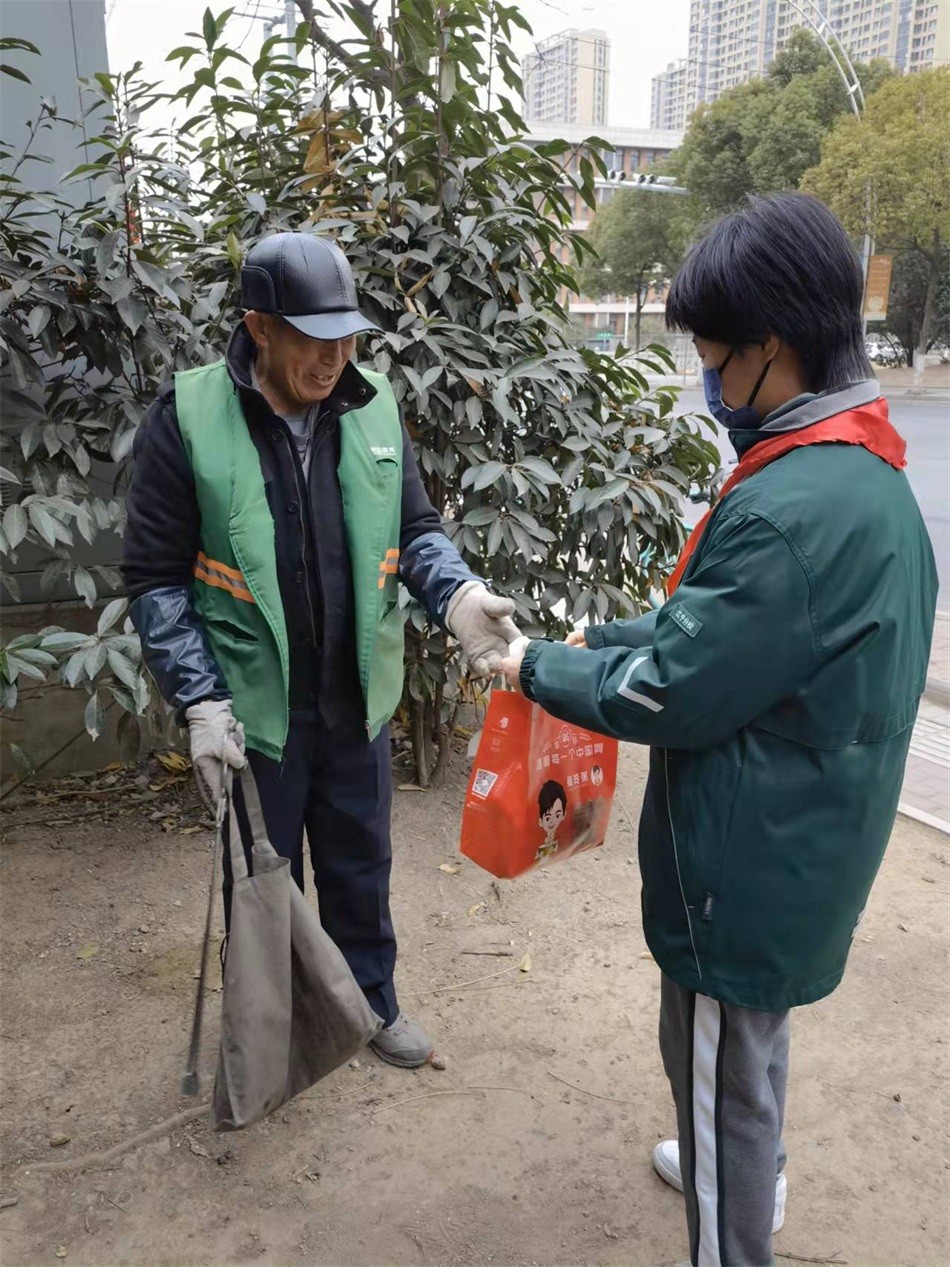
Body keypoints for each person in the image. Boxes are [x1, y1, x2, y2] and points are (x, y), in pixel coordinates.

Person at [502, 193, 937, 1266]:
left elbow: (675, 690)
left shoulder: (788, 506)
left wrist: (529, 665)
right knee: (750, 1053)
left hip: (737, 876)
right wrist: (599, 632)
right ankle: (756, 1170)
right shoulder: (861, 474)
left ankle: (729, 1229)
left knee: (713, 1064)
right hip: (805, 844)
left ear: (769, 348)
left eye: (710, 355)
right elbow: (728, 630)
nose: (705, 381)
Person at [123, 231, 520, 1069]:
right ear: (259, 328)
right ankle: (286, 1027)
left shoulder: (371, 406)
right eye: (312, 335)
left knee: (359, 863)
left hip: (355, 692)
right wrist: (199, 696)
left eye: (346, 334)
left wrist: (457, 597)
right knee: (265, 884)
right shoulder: (189, 415)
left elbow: (413, 531)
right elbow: (155, 578)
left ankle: (371, 1005)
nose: (334, 355)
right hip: (251, 706)